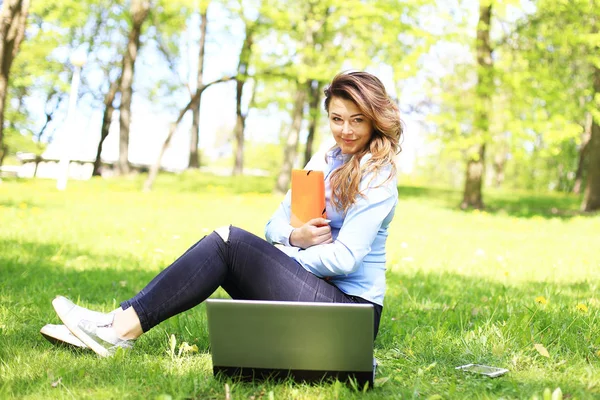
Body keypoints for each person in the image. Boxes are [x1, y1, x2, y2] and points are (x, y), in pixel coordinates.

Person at [42, 71, 403, 357]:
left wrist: (284, 257)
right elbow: (274, 225)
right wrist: (296, 237)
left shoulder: (378, 175)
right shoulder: (325, 160)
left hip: (350, 316)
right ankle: (114, 324)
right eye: (337, 119)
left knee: (227, 242)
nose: (346, 130)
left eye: (357, 120)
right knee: (227, 247)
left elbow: (345, 259)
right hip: (311, 291)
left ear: (374, 119)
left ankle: (117, 330)